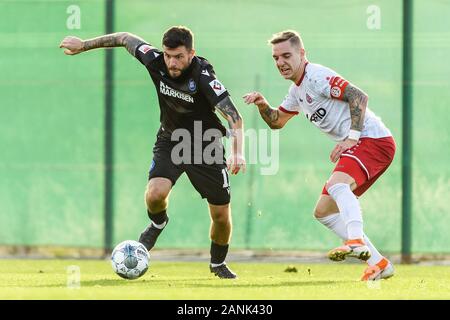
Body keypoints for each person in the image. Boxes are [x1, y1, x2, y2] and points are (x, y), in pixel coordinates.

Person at [60, 26, 245, 279]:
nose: (172, 62)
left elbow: (235, 117)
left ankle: (217, 264)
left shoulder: (203, 76)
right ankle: (158, 223)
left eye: (179, 56)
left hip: (206, 145)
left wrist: (237, 152)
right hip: (171, 139)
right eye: (168, 55)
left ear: (192, 53)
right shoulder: (155, 60)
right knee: (155, 194)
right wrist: (84, 45)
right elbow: (124, 38)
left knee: (221, 215)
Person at [243, 30, 395, 281]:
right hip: (365, 142)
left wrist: (352, 137)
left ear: (302, 54)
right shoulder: (297, 91)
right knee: (324, 211)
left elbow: (358, 96)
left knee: (337, 185)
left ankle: (356, 241)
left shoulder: (316, 77)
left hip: (373, 139)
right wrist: (262, 104)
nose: (280, 62)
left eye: (286, 55)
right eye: (275, 58)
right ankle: (379, 264)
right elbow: (277, 121)